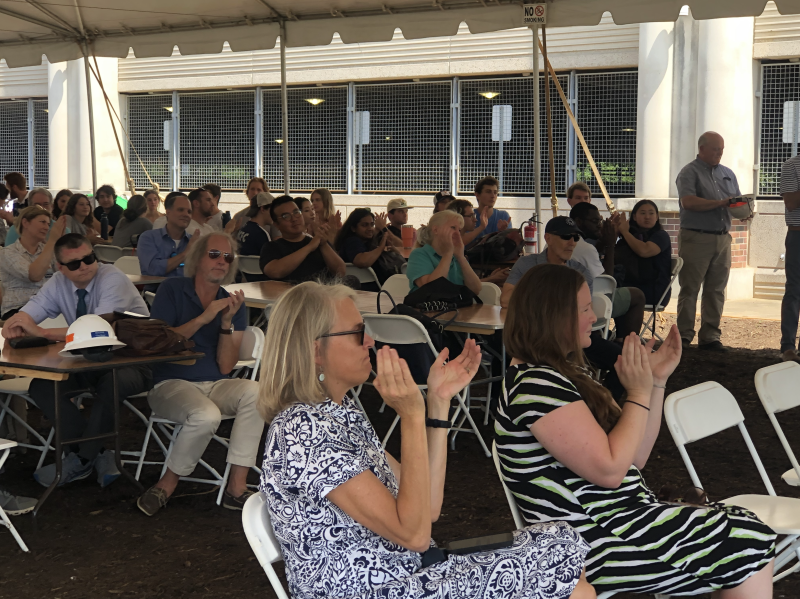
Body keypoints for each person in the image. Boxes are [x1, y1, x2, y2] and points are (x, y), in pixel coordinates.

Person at [258, 281, 593, 599]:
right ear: (316, 350)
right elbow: (415, 534)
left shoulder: (338, 414)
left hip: (406, 575)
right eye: (359, 333)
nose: (370, 342)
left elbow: (427, 506)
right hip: (376, 589)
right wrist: (411, 416)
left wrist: (437, 403)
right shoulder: (303, 429)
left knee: (557, 545)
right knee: (565, 577)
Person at [496, 262, 776, 597]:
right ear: (553, 317)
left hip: (620, 519)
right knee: (747, 540)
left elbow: (635, 456)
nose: (595, 315)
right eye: (585, 308)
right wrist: (639, 392)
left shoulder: (556, 375)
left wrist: (655, 382)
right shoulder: (535, 385)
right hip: (592, 540)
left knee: (743, 531)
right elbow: (612, 471)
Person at [1, 233, 152, 488]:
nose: (83, 266)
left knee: (111, 383)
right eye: (74, 264)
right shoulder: (57, 282)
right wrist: (14, 325)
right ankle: (98, 455)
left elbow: (98, 329)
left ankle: (80, 460)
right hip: (87, 361)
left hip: (132, 359)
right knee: (43, 386)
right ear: (60, 268)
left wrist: (43, 332)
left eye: (89, 259)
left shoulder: (112, 277)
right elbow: (29, 312)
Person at [136, 232, 263, 516]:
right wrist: (205, 318)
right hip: (170, 384)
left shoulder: (232, 303)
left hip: (215, 383)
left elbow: (226, 367)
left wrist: (226, 322)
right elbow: (161, 343)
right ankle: (166, 485)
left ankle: (236, 488)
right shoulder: (172, 290)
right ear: (197, 258)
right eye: (214, 254)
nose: (222, 261)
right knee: (206, 415)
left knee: (257, 394)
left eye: (227, 257)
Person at [500, 217, 625, 399]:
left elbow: (580, 310)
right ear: (548, 238)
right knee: (503, 347)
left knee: (623, 359)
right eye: (566, 236)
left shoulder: (580, 271)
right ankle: (505, 404)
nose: (572, 243)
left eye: (576, 238)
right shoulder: (527, 264)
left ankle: (601, 405)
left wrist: (534, 299)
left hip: (570, 337)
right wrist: (555, 300)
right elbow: (505, 299)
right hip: (532, 337)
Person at [675, 131, 739, 351]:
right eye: (715, 149)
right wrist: (721, 203)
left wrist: (744, 209)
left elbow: (735, 203)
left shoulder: (728, 173)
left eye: (721, 149)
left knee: (717, 289)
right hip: (696, 237)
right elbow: (688, 202)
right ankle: (684, 335)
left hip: (723, 238)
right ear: (702, 148)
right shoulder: (688, 172)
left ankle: (710, 336)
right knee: (690, 287)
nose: (719, 153)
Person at [570, 202, 646, 339]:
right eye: (594, 221)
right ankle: (626, 343)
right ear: (578, 222)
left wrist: (603, 242)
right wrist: (611, 244)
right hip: (590, 304)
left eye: (600, 220)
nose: (599, 225)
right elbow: (607, 286)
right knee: (637, 295)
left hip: (563, 300)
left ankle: (613, 339)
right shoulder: (585, 248)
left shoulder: (566, 241)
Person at [260, 195, 346, 283]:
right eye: (286, 216)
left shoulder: (319, 242)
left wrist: (323, 244)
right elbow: (274, 272)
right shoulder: (272, 247)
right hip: (291, 294)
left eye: (296, 212)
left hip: (322, 293)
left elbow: (341, 272)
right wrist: (309, 247)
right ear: (276, 224)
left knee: (351, 280)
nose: (294, 219)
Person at [0, 206, 65, 319]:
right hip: (18, 309)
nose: (46, 227)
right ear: (25, 222)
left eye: (48, 224)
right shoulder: (7, 253)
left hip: (49, 307)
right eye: (42, 222)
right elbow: (34, 275)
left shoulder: (48, 250)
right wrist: (52, 240)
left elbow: (64, 275)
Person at [406, 210, 482, 295]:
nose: (457, 233)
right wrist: (448, 253)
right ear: (435, 230)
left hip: (458, 306)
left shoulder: (457, 257)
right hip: (429, 307)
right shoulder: (419, 254)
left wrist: (461, 257)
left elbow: (476, 289)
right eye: (453, 228)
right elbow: (431, 288)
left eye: (459, 230)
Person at [615, 200, 673, 306]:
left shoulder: (661, 236)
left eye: (651, 213)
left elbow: (644, 251)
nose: (647, 217)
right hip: (628, 284)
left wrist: (625, 232)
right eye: (642, 213)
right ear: (634, 217)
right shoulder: (630, 236)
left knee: (614, 295)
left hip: (654, 289)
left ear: (657, 217)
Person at [335, 208, 404, 289]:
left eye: (372, 224)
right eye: (364, 225)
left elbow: (400, 245)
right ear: (353, 228)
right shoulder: (352, 241)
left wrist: (393, 251)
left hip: (380, 288)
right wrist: (381, 247)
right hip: (370, 290)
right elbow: (362, 261)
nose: (370, 228)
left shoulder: (366, 241)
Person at [137, 193, 201, 280]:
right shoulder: (149, 238)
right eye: (180, 210)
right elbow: (153, 270)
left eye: (189, 212)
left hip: (188, 292)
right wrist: (186, 253)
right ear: (168, 212)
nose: (186, 214)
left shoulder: (195, 242)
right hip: (156, 292)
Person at [781, 153, 800, 362]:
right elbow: (791, 202)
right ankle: (787, 346)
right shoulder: (791, 166)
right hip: (798, 234)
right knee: (795, 290)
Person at [237, 191, 272, 256]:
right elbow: (269, 262)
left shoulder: (243, 229)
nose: (274, 213)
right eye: (272, 209)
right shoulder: (261, 235)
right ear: (263, 209)